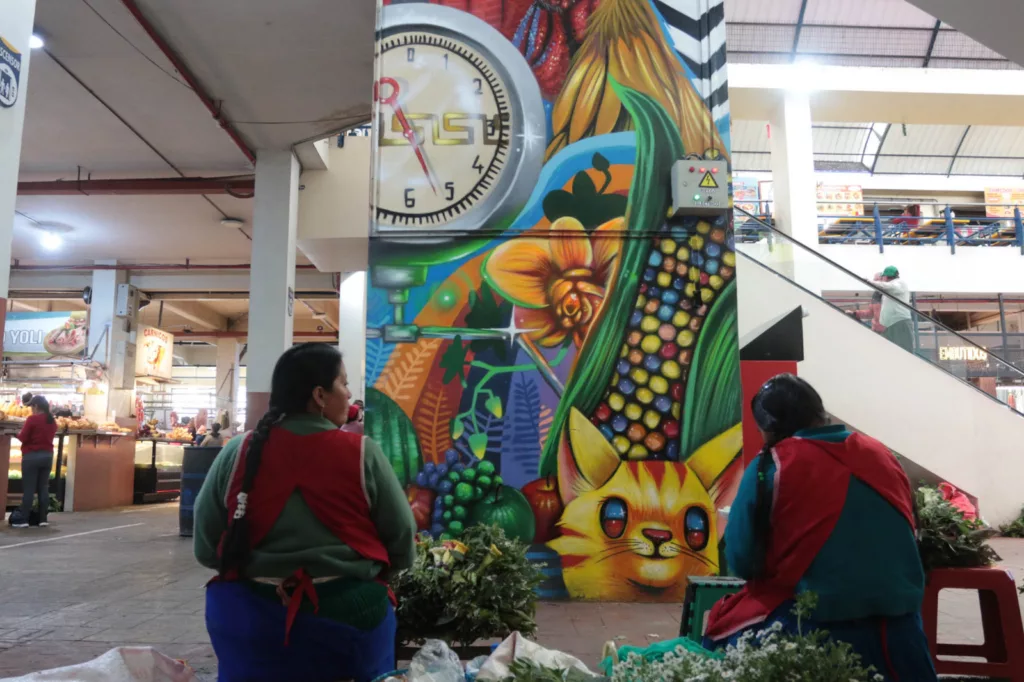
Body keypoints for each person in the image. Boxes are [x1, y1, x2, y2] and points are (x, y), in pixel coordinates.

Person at [193, 343, 416, 682]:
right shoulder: (362, 453)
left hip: (247, 619)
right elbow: (402, 538)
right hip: (347, 620)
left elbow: (206, 548)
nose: (350, 393)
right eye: (343, 383)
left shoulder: (238, 451)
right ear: (320, 395)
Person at [705, 374, 936, 682]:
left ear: (769, 428)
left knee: (719, 629)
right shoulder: (882, 454)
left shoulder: (772, 465)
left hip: (813, 627)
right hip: (903, 638)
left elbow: (743, 560)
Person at [13, 396, 59, 528]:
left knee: (29, 490)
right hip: (48, 456)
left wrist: (15, 433)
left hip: (31, 457)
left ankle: (24, 520)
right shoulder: (52, 421)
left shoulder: (32, 419)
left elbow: (23, 437)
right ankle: (43, 519)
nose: (31, 410)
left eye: (32, 407)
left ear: (37, 406)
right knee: (43, 488)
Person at [873, 265, 914, 353]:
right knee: (891, 353)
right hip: (890, 326)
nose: (881, 280)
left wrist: (869, 282)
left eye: (882, 278)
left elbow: (889, 286)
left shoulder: (899, 283)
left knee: (905, 353)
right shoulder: (891, 289)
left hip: (899, 323)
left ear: (886, 277)